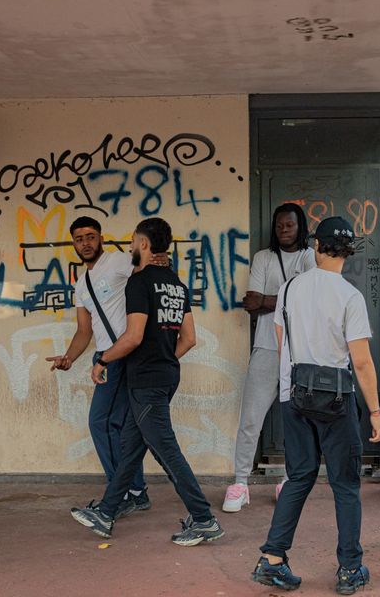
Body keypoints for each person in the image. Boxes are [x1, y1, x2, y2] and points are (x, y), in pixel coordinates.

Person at [251, 217, 380, 595]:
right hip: (336, 401)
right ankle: (349, 569)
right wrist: (375, 411)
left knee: (300, 476)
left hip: (295, 395)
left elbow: (282, 345)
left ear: (315, 246)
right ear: (349, 252)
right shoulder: (350, 297)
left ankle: (273, 559)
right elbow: (361, 361)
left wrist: (293, 388)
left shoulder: (291, 288)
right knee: (345, 484)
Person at [70, 217, 225, 547]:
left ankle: (204, 519)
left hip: (145, 382)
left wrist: (102, 359)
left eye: (132, 242)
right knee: (131, 447)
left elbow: (133, 336)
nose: (128, 247)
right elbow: (190, 338)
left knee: (167, 451)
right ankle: (107, 511)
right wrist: (165, 359)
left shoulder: (139, 284)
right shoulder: (176, 286)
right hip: (165, 376)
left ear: (143, 244)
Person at [47, 216, 158, 518]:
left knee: (103, 422)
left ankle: (121, 492)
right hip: (104, 357)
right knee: (115, 426)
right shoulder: (81, 284)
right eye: (79, 238)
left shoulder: (119, 262)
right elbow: (85, 330)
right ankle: (133, 491)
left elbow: (147, 275)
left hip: (124, 354)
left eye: (90, 236)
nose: (85, 243)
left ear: (101, 238)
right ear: (74, 244)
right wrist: (69, 357)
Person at [223, 203, 315, 513]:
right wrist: (277, 299)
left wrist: (268, 299)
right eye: (279, 225)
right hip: (265, 346)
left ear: (300, 226)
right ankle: (239, 483)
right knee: (251, 418)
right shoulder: (262, 257)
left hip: (301, 351)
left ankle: (289, 482)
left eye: (290, 225)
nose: (284, 229)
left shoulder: (310, 257)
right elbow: (251, 302)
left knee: (298, 419)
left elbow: (308, 301)